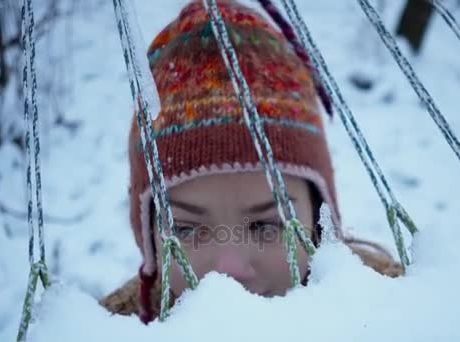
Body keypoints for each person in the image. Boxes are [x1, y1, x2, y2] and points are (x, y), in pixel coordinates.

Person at [100, 0, 403, 323]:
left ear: (319, 219)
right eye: (185, 230)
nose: (229, 273)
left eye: (266, 225)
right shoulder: (108, 329)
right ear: (150, 239)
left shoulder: (399, 317)